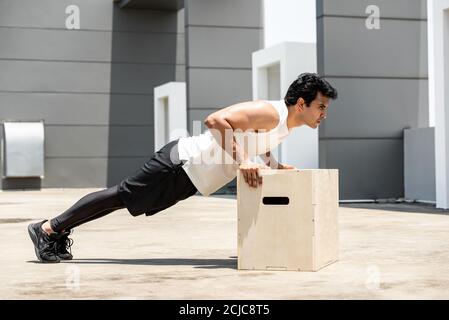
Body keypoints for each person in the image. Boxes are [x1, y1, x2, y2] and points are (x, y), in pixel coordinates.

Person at [27, 73, 337, 263]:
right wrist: (242, 160)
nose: (324, 113)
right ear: (301, 103)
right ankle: (49, 229)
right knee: (120, 196)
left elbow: (258, 140)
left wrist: (273, 163)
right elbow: (216, 120)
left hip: (189, 176)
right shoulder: (270, 111)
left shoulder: (284, 124)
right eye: (320, 106)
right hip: (181, 164)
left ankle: (55, 231)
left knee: (123, 201)